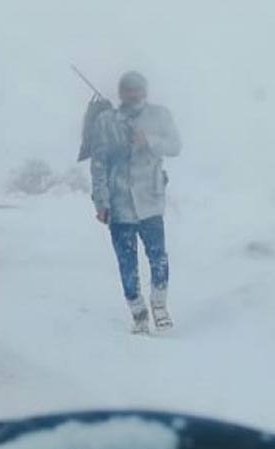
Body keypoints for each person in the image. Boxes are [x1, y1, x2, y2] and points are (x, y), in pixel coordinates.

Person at [89, 71, 181, 334]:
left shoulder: (159, 115)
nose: (133, 94)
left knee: (158, 257)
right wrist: (101, 202)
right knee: (126, 262)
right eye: (127, 89)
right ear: (120, 93)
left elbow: (176, 146)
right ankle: (138, 310)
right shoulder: (106, 120)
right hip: (118, 205)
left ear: (145, 91)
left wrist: (148, 141)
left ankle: (159, 305)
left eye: (137, 89)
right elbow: (98, 163)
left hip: (150, 200)